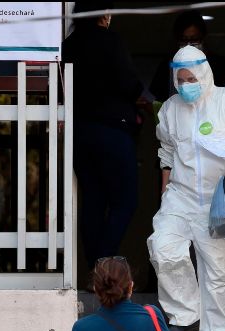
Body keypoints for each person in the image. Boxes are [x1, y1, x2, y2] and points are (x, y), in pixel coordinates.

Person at [148, 45, 225, 331]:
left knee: (217, 274)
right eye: (181, 79)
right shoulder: (170, 110)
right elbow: (166, 151)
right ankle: (185, 314)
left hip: (222, 198)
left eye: (191, 78)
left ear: (204, 74)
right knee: (163, 247)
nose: (186, 85)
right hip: (180, 196)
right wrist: (165, 191)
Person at [61, 1, 144, 270]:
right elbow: (130, 84)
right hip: (112, 131)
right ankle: (103, 264)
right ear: (103, 15)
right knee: (125, 201)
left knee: (93, 200)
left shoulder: (68, 45)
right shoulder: (111, 41)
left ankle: (94, 270)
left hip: (79, 132)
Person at [149, 10, 225, 102]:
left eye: (194, 39)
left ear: (203, 38)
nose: (189, 44)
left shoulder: (220, 64)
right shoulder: (168, 66)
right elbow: (160, 100)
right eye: (184, 40)